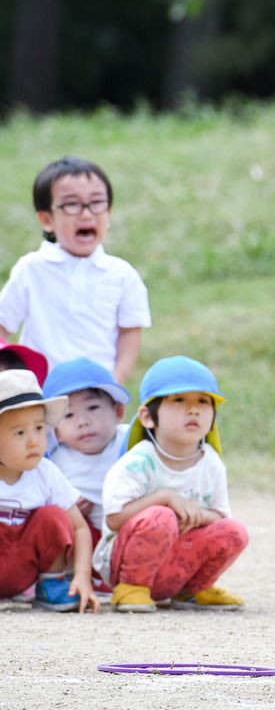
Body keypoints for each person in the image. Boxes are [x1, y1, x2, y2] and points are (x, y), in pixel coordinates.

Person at [93, 356, 248, 614]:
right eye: (179, 400)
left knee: (234, 531)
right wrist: (165, 497)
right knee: (160, 516)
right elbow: (114, 519)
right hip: (128, 562)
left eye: (203, 401)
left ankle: (192, 590)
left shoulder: (211, 463)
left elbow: (220, 516)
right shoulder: (138, 461)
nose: (193, 410)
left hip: (179, 560)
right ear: (147, 416)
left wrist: (198, 516)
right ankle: (132, 588)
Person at [0, 156, 151, 384]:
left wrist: (116, 379)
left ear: (109, 211)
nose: (87, 214)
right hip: (41, 392)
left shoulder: (122, 274)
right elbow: (3, 324)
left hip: (98, 391)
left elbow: (130, 332)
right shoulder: (32, 269)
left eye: (97, 202)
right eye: (72, 204)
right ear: (46, 219)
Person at [0, 369, 99, 613]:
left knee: (52, 515)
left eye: (39, 428)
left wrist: (82, 576)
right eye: (20, 433)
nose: (34, 441)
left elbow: (79, 527)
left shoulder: (46, 473)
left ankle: (51, 582)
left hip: (25, 566)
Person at [43, 357, 131, 546]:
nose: (83, 421)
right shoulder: (53, 461)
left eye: (92, 407)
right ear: (56, 431)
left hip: (132, 535)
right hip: (84, 543)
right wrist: (72, 514)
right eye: (68, 415)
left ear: (118, 412)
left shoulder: (131, 443)